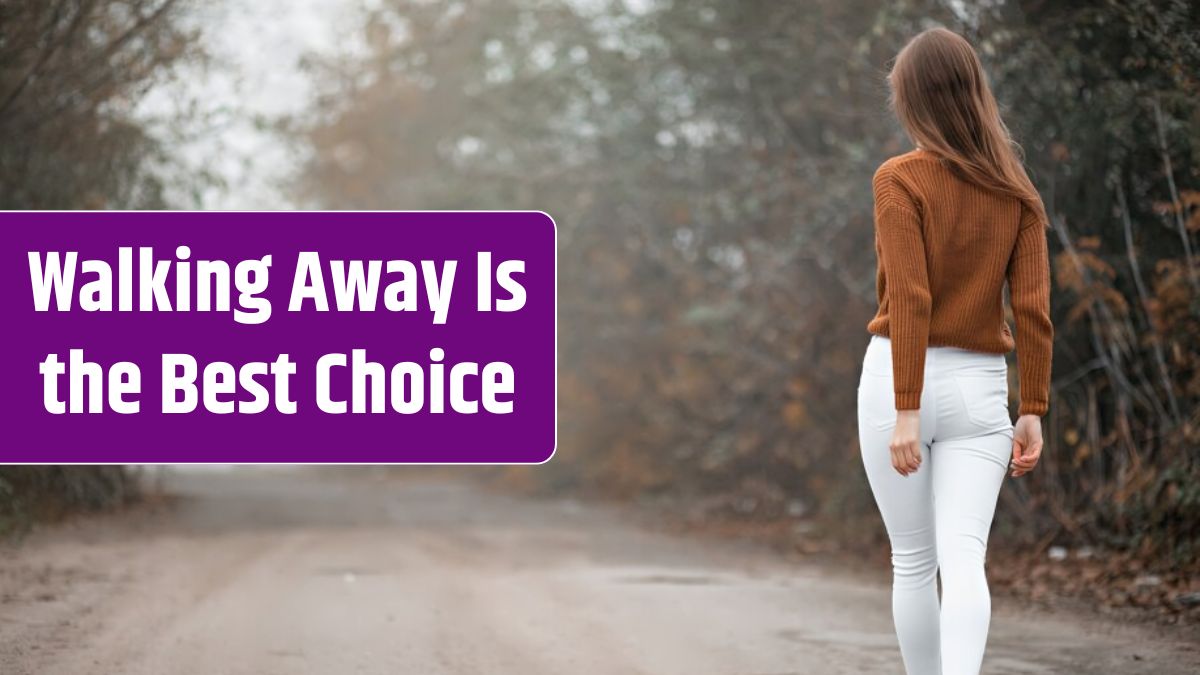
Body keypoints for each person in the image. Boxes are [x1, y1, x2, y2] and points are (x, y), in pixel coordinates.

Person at [857, 27, 1054, 675]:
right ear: (975, 94)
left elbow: (909, 297)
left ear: (910, 100)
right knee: (964, 557)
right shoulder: (1018, 194)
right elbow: (1032, 310)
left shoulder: (899, 180)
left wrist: (908, 409)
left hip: (896, 380)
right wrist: (1033, 406)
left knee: (913, 559)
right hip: (980, 389)